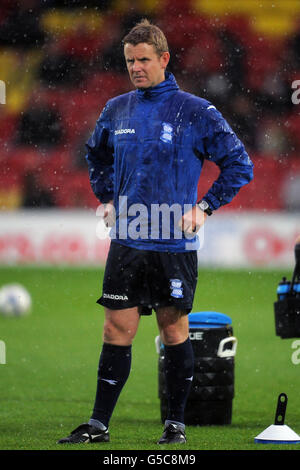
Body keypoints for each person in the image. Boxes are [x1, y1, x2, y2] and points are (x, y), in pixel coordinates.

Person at [58, 19, 253, 445]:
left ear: (164, 59)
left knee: (173, 331)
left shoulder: (196, 111)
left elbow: (240, 165)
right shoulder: (117, 109)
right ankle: (98, 425)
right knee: (115, 330)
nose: (136, 68)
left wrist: (205, 207)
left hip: (173, 245)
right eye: (130, 61)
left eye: (144, 60)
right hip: (127, 242)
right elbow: (96, 155)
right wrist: (107, 196)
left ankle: (175, 426)